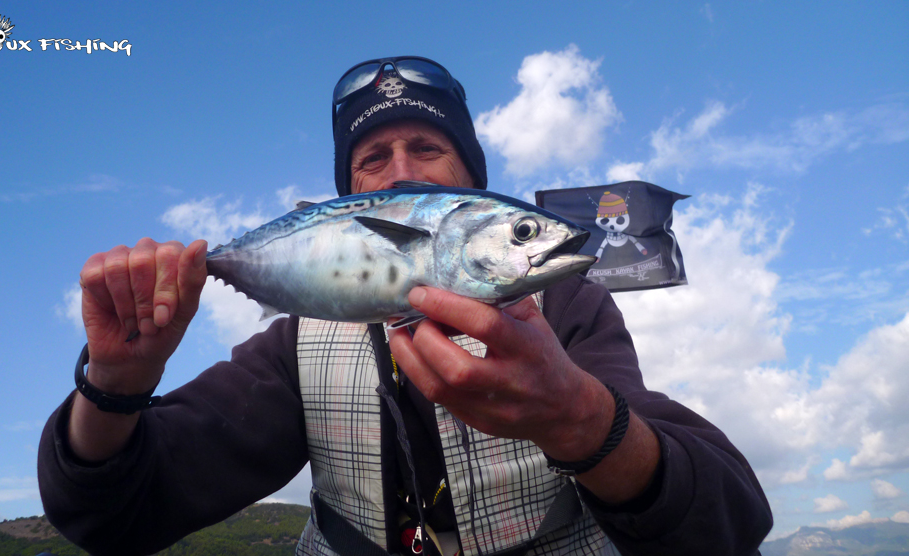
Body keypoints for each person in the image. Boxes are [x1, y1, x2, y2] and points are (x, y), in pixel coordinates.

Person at [38, 56, 773, 556]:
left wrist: (579, 416)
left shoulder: (565, 305)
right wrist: (114, 384)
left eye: (427, 149)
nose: (397, 177)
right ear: (346, 198)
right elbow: (114, 515)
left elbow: (729, 521)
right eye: (370, 161)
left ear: (469, 185)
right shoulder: (301, 340)